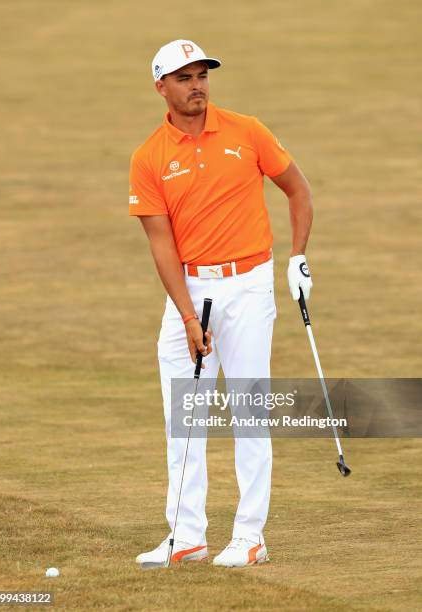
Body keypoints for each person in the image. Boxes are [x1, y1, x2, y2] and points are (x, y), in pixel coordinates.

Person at [129, 39, 313, 568]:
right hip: (190, 290)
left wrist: (296, 257)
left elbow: (297, 190)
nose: (197, 86)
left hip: (249, 285)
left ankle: (250, 536)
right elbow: (161, 245)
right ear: (161, 87)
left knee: (249, 411)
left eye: (202, 75)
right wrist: (187, 315)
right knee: (183, 414)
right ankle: (186, 536)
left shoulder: (247, 131)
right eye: (184, 78)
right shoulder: (149, 158)